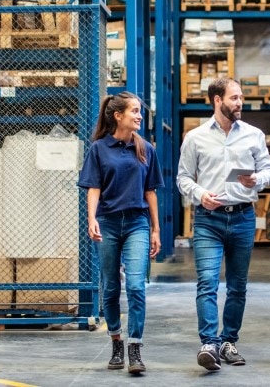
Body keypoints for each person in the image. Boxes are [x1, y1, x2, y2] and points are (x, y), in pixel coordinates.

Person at [177, 77, 270, 372]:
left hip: (244, 216)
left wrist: (257, 179)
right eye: (234, 98)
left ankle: (229, 341)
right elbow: (183, 178)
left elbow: (269, 170)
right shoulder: (195, 138)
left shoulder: (254, 135)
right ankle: (209, 343)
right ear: (217, 100)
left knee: (237, 285)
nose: (240, 103)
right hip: (208, 219)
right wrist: (200, 194)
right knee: (207, 282)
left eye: (241, 97)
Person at [78, 92, 163, 375]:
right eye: (135, 111)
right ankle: (116, 340)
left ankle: (135, 346)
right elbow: (94, 188)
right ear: (118, 116)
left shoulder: (146, 149)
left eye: (139, 111)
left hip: (138, 222)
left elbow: (150, 191)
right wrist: (91, 218)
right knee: (111, 286)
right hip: (109, 223)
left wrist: (156, 229)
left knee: (137, 286)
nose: (139, 116)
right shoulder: (99, 149)